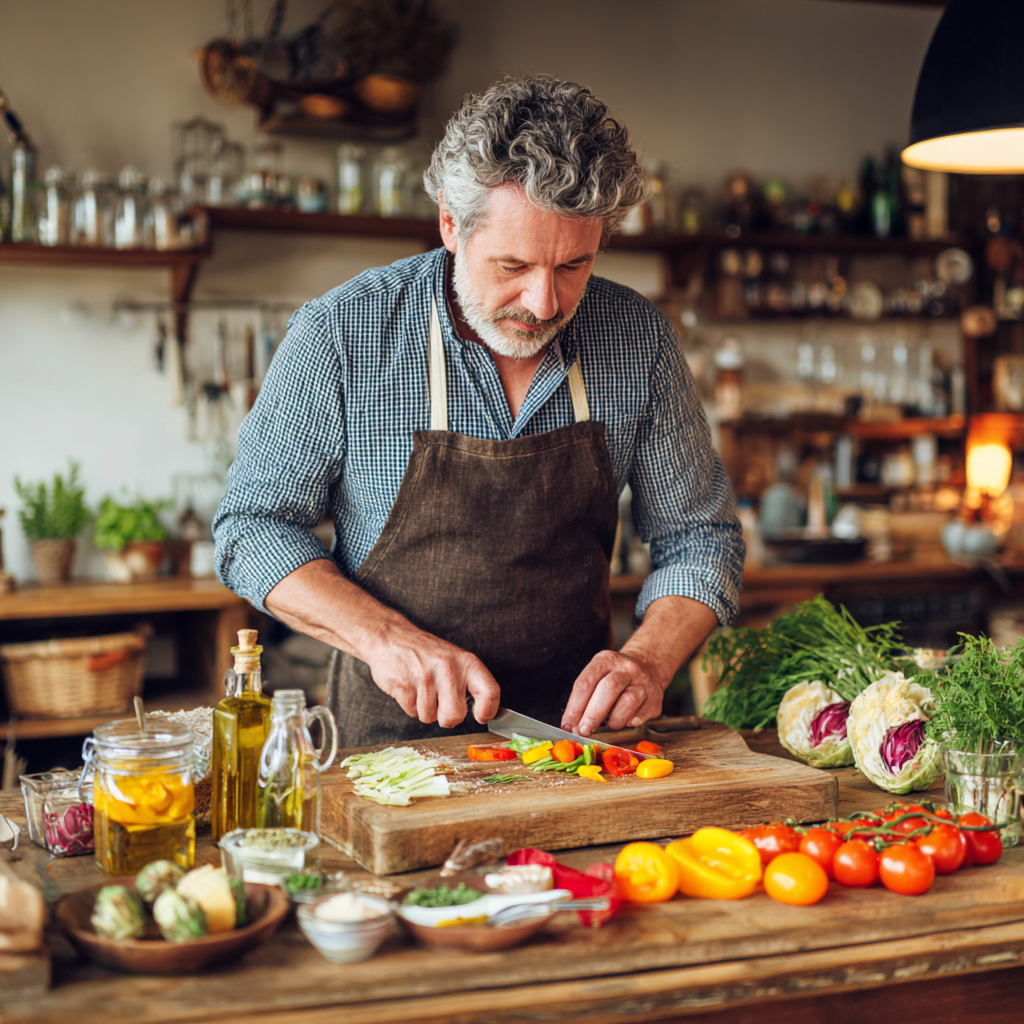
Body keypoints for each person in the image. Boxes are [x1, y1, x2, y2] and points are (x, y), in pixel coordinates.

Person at [214, 75, 744, 748]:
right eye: (512, 265)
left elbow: (701, 537)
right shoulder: (342, 335)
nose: (544, 303)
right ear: (449, 224)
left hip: (577, 744)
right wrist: (387, 639)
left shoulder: (638, 339)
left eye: (574, 265)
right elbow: (252, 528)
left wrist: (648, 660)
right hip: (389, 748)